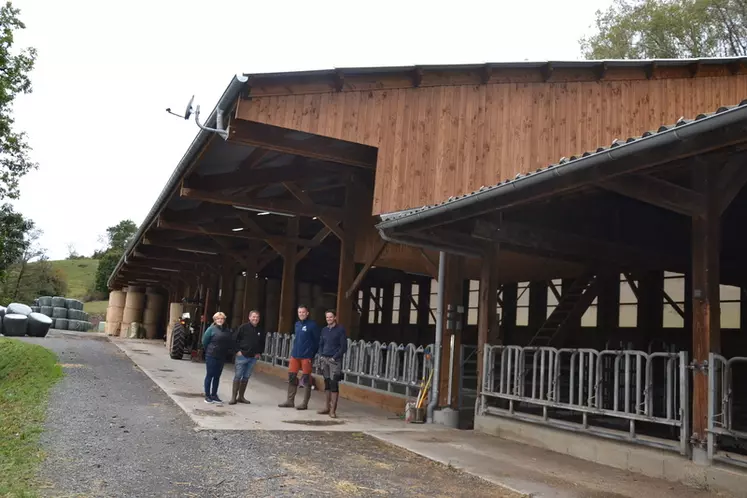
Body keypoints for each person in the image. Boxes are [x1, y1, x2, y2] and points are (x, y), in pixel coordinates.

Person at [278, 305, 320, 410]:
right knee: (292, 376)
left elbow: (317, 341)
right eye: (299, 312)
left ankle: (304, 403)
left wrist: (312, 354)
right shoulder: (297, 324)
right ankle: (290, 400)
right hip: (295, 355)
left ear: (307, 313)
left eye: (303, 312)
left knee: (306, 378)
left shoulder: (312, 325)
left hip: (306, 356)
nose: (301, 314)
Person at [317, 309, 347, 418]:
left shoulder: (340, 330)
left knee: (334, 383)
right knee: (327, 382)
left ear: (335, 317)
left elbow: (343, 347)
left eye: (330, 317)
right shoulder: (324, 330)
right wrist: (320, 354)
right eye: (327, 317)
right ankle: (326, 407)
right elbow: (321, 343)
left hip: (334, 360)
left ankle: (333, 410)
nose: (329, 319)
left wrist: (335, 357)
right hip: (324, 358)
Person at [230, 310, 265, 405]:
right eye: (253, 317)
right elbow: (234, 339)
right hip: (242, 356)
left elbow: (262, 342)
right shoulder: (243, 327)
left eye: (257, 317)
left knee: (246, 377)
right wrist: (237, 351)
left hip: (253, 358)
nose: (255, 318)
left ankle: (241, 397)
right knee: (238, 376)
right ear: (249, 317)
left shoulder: (260, 330)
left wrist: (259, 352)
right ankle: (233, 397)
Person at [202, 311, 232, 405]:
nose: (220, 320)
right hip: (211, 355)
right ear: (215, 320)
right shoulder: (211, 329)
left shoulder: (226, 330)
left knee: (217, 376)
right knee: (209, 375)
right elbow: (204, 341)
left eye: (222, 318)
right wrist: (210, 350)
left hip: (221, 355)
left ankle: (214, 395)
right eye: (218, 318)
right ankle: (207, 395)